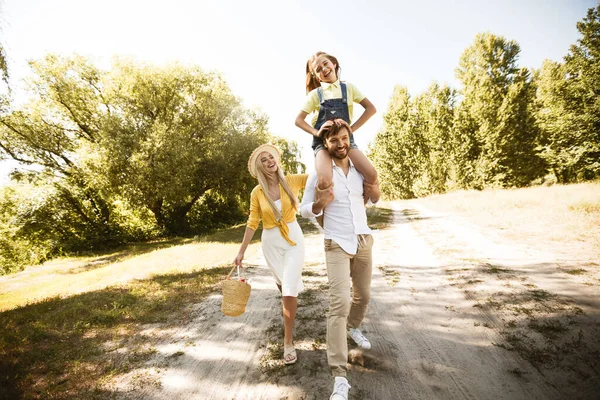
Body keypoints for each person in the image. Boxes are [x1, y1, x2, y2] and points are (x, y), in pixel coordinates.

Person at [300, 119, 376, 400]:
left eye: (344, 138)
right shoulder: (319, 174)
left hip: (363, 239)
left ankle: (354, 327)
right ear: (326, 144)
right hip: (336, 243)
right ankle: (339, 376)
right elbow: (303, 209)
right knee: (339, 302)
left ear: (349, 139)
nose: (340, 144)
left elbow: (374, 198)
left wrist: (374, 192)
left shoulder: (358, 171)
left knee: (364, 296)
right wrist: (319, 204)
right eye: (334, 141)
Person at [234, 144, 308, 365]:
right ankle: (289, 307)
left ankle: (288, 341)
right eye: (264, 160)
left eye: (271, 157)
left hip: (293, 238)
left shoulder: (292, 180)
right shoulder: (257, 192)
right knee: (283, 286)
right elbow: (252, 222)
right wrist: (241, 252)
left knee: (288, 289)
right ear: (260, 167)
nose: (269, 161)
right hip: (271, 243)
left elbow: (319, 178)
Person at [294, 51, 380, 203]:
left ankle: (359, 206)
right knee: (324, 181)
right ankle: (320, 212)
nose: (324, 69)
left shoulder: (349, 88)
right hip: (322, 142)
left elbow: (371, 109)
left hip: (345, 141)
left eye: (325, 64)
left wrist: (351, 129)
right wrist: (317, 132)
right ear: (316, 76)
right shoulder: (316, 94)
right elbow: (299, 120)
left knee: (371, 174)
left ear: (333, 63)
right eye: (318, 70)